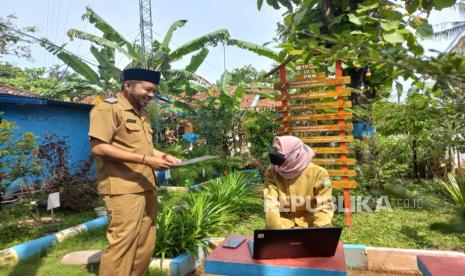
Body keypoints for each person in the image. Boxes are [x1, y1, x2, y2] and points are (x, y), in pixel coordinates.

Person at [88, 68, 181, 276]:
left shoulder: (142, 113)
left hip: (146, 184)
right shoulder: (107, 109)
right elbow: (98, 147)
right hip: (123, 188)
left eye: (154, 92)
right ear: (128, 85)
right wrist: (147, 160)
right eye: (147, 89)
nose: (151, 95)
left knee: (145, 243)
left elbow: (143, 148)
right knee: (123, 244)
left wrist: (163, 156)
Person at [263, 135, 334, 228]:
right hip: (284, 223)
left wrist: (319, 230)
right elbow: (270, 202)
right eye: (274, 149)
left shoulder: (320, 174)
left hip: (311, 223)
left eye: (277, 151)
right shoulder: (272, 172)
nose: (273, 154)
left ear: (294, 154)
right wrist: (275, 231)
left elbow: (325, 204)